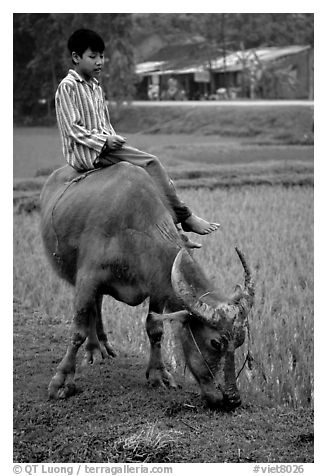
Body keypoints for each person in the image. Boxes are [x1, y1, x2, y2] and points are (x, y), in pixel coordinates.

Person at [55, 29, 219, 247]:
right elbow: (72, 128)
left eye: (101, 56)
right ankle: (185, 216)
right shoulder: (68, 87)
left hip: (104, 147)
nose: (99, 62)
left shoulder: (95, 86)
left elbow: (103, 123)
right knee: (152, 163)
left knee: (158, 179)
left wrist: (112, 137)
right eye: (92, 57)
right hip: (86, 152)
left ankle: (175, 232)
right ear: (76, 57)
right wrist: (104, 142)